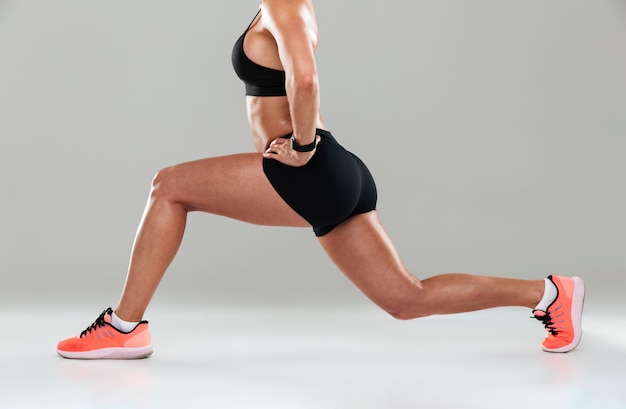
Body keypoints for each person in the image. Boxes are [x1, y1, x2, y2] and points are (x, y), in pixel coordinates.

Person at [57, 0, 585, 359]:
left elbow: (304, 77)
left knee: (168, 185)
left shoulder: (285, 4)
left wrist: (303, 147)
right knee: (406, 298)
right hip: (338, 171)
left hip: (313, 168)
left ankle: (124, 328)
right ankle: (550, 293)